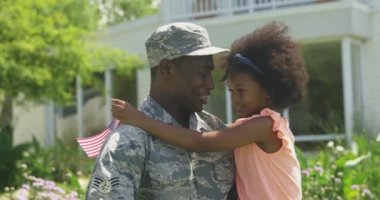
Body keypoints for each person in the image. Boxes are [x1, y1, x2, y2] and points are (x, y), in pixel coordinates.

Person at [112, 22, 308, 200]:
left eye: (241, 91)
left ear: (268, 90)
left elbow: (201, 141)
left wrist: (142, 120)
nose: (235, 99)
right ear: (167, 69)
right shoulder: (246, 129)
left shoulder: (264, 126)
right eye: (231, 91)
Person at [85, 22, 235, 199]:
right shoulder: (129, 142)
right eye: (203, 73)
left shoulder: (216, 131)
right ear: (167, 69)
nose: (210, 84)